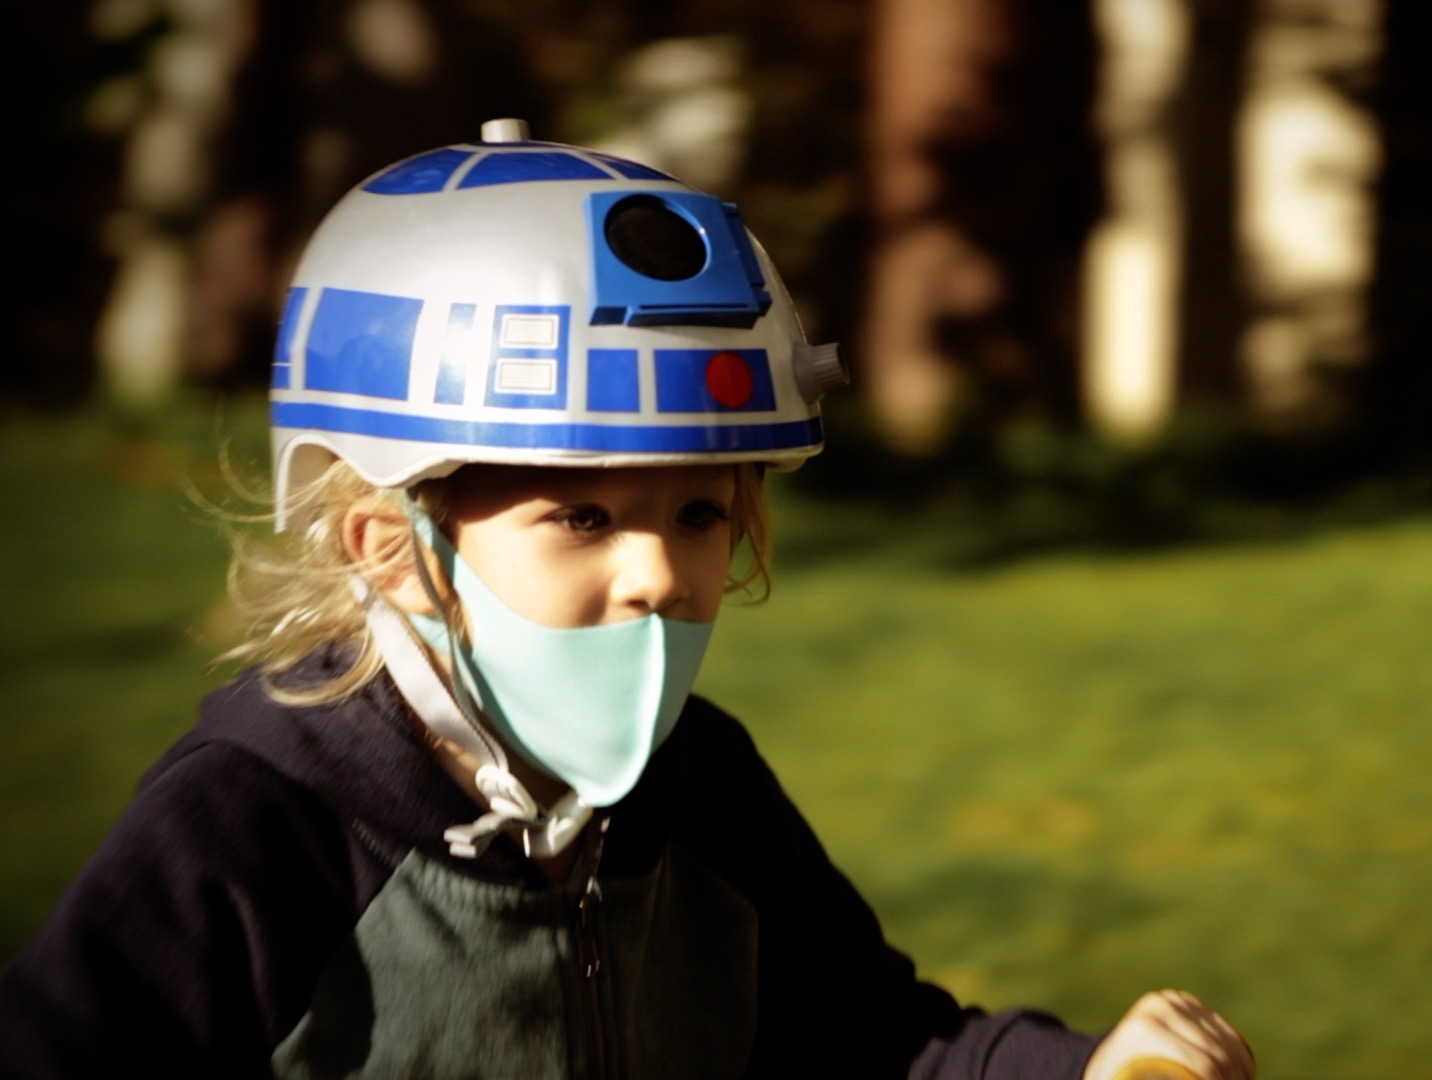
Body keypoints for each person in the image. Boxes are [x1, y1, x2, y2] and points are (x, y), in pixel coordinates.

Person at [0, 120, 1254, 1080]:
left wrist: (1075, 1068)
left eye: (700, 513)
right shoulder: (254, 821)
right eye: (584, 517)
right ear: (391, 545)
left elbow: (872, 1046)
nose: (660, 572)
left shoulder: (704, 790)